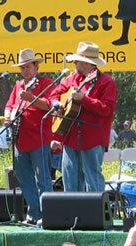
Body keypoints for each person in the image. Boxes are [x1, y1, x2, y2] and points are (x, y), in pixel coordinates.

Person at [49, 41, 117, 192]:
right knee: (69, 179)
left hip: (93, 138)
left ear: (88, 64)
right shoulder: (73, 79)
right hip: (70, 136)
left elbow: (107, 109)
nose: (74, 63)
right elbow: (55, 93)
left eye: (77, 61)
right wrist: (57, 104)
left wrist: (84, 99)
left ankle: (94, 213)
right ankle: (72, 213)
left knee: (92, 178)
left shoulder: (107, 82)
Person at [4, 48, 54, 224]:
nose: (25, 70)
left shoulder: (46, 82)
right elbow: (9, 105)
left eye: (27, 67)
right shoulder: (18, 85)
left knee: (43, 179)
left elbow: (49, 105)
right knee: (24, 178)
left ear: (36, 66)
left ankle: (48, 214)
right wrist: (8, 116)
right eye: (22, 68)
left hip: (39, 138)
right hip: (20, 139)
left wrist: (31, 97)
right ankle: (34, 213)